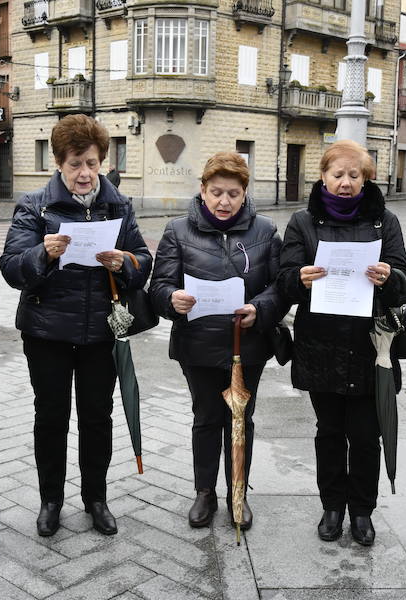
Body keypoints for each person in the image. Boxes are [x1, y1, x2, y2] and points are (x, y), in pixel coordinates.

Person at [0, 114, 152, 538]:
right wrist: (43, 255)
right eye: (74, 164)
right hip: (46, 331)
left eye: (91, 163)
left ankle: (96, 498)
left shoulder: (118, 204)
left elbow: (143, 261)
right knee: (50, 417)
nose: (84, 173)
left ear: (101, 160)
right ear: (58, 163)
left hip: (100, 333)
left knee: (97, 417)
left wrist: (126, 263)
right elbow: (11, 268)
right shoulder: (35, 205)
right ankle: (51, 500)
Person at [277, 140, 406, 546]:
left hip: (370, 348)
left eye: (355, 175)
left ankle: (362, 512)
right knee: (329, 432)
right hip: (321, 346)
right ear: (322, 176)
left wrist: (390, 278)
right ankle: (332, 506)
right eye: (338, 174)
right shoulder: (302, 222)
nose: (345, 182)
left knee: (366, 436)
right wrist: (298, 280)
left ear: (366, 179)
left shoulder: (383, 222)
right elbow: (284, 281)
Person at [150, 152, 287, 530]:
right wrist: (171, 300)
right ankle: (205, 493)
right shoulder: (178, 231)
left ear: (244, 193)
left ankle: (237, 493)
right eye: (216, 192)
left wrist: (261, 308)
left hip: (248, 347)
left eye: (232, 193)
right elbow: (158, 287)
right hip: (197, 345)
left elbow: (281, 286)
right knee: (207, 418)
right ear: (202, 191)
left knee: (241, 419)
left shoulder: (265, 231)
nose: (224, 202)